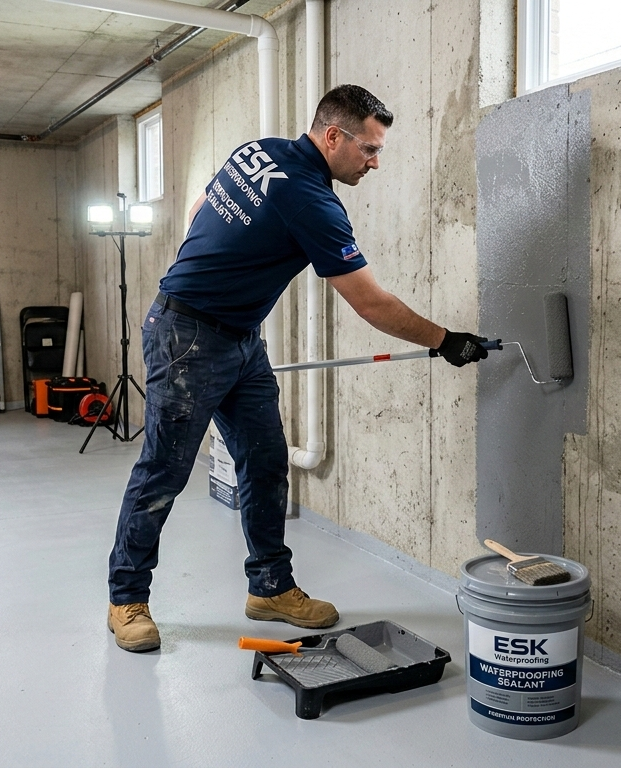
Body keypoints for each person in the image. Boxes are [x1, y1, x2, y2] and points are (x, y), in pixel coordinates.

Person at [107, 84, 490, 652]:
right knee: (164, 470)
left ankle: (270, 587)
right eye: (369, 149)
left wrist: (218, 265)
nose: (375, 162)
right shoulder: (312, 201)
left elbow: (199, 210)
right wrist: (445, 340)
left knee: (264, 462)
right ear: (333, 136)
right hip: (187, 337)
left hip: (240, 339)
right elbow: (370, 302)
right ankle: (126, 599)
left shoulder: (256, 150)